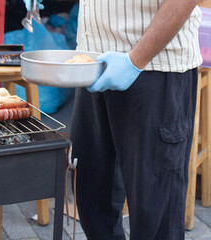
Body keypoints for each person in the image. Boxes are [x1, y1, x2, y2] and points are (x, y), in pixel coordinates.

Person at [70, 0, 202, 239]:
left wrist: (135, 60)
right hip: (92, 63)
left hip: (154, 67)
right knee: (93, 197)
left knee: (154, 210)